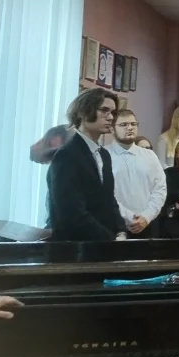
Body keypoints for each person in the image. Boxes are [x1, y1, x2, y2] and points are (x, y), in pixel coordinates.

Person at [47, 88, 126, 242]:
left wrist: (121, 231)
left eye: (113, 112)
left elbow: (109, 200)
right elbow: (71, 212)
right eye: (104, 110)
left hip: (103, 244)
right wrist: (109, 240)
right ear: (83, 112)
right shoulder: (66, 155)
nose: (111, 117)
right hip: (76, 246)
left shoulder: (104, 154)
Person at [107, 108, 166, 239]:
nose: (130, 128)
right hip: (116, 225)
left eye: (133, 124)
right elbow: (106, 194)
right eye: (124, 124)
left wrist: (146, 216)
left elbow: (160, 189)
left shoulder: (149, 155)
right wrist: (129, 217)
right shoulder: (104, 155)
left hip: (148, 223)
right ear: (112, 129)